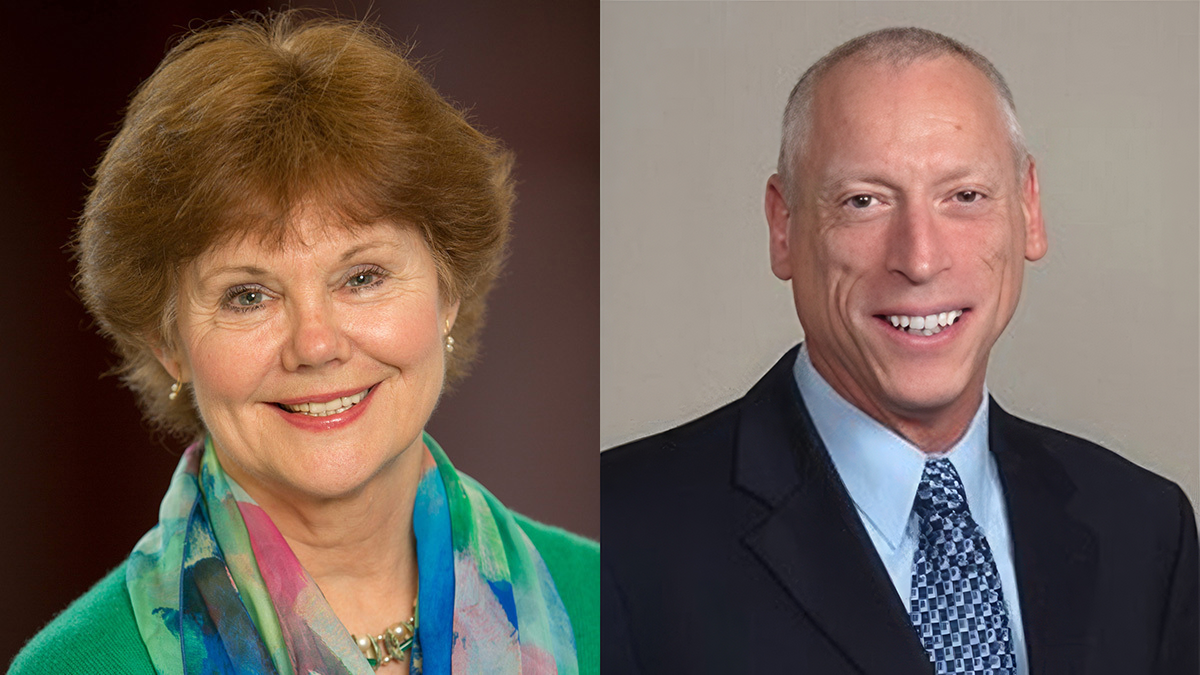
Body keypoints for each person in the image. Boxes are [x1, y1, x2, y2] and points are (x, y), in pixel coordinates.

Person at [11, 12, 596, 675]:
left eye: (363, 276)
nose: (315, 344)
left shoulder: (609, 602)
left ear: (448, 292)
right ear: (169, 342)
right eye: (248, 295)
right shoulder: (76, 665)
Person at [601, 27, 1198, 674]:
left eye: (964, 196)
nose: (919, 257)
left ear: (1029, 209)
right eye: (864, 201)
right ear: (783, 226)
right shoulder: (615, 536)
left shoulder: (1144, 528)